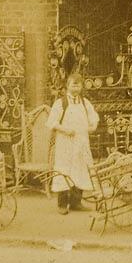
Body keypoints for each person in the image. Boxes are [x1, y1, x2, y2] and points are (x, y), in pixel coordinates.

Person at [46, 74, 99, 215]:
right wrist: (65, 129)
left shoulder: (84, 102)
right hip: (65, 143)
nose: (75, 88)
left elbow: (93, 117)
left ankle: (76, 202)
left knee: (80, 169)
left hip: (81, 142)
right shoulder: (60, 103)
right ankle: (62, 204)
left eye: (78, 85)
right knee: (64, 170)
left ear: (81, 87)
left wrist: (93, 125)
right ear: (67, 86)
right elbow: (51, 122)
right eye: (73, 85)